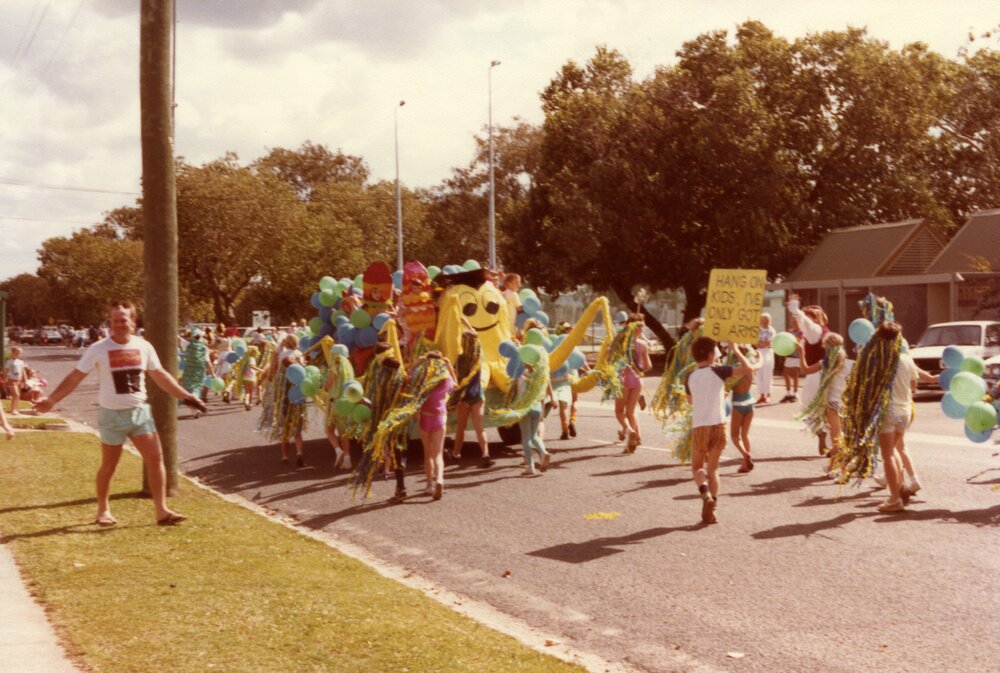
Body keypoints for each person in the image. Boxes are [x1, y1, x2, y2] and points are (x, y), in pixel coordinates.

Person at [33, 301, 203, 526]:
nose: (119, 324)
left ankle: (162, 511)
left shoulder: (144, 346)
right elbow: (75, 376)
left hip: (140, 413)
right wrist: (52, 400)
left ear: (133, 322)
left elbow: (160, 375)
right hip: (112, 415)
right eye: (114, 320)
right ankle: (103, 511)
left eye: (123, 320)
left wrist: (187, 396)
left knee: (155, 459)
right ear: (110, 323)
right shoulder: (98, 348)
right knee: (109, 465)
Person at [835, 321, 937, 512]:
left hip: (888, 411)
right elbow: (914, 385)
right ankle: (899, 488)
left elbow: (865, 386)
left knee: (888, 454)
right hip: (906, 410)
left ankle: (894, 498)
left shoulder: (878, 359)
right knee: (896, 450)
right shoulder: (906, 358)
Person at [685, 336, 756, 524]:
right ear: (710, 354)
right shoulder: (719, 371)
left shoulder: (690, 376)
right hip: (718, 425)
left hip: (700, 426)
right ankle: (713, 506)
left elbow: (690, 401)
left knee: (697, 467)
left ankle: (705, 493)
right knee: (714, 468)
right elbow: (749, 370)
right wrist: (736, 349)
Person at [417, 352, 456, 500]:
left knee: (427, 453)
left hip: (425, 417)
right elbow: (456, 385)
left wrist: (418, 363)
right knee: (438, 453)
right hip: (439, 418)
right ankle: (439, 479)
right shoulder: (445, 378)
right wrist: (449, 367)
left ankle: (429, 484)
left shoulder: (423, 379)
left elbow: (407, 378)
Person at [451, 329, 493, 468]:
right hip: (477, 395)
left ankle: (456, 453)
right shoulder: (478, 357)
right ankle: (485, 453)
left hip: (464, 397)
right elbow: (476, 338)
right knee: (479, 428)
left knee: (460, 428)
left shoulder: (459, 358)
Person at [728, 345, 762, 473]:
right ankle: (745, 464)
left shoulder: (735, 369)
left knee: (735, 436)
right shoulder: (751, 368)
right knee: (745, 435)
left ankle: (745, 455)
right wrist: (761, 355)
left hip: (738, 403)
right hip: (750, 402)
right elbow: (760, 362)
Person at [755, 314, 776, 403]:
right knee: (759, 374)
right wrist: (759, 343)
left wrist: (760, 343)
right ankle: (762, 395)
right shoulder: (757, 330)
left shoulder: (771, 330)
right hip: (758, 351)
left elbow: (768, 343)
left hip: (768, 352)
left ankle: (768, 394)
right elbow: (754, 342)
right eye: (762, 319)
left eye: (766, 319)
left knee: (767, 374)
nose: (764, 321)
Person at [780, 318, 802, 403]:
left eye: (795, 322)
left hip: (797, 355)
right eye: (792, 322)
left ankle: (795, 393)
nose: (793, 323)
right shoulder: (789, 331)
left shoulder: (800, 332)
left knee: (795, 374)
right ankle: (788, 393)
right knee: (785, 373)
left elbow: (798, 341)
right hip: (789, 355)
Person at [4, 346, 25, 414]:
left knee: (18, 395)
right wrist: (5, 379)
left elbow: (23, 371)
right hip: (11, 380)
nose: (18, 354)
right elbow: (6, 371)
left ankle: (16, 409)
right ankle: (12, 409)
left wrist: (25, 380)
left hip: (18, 380)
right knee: (16, 394)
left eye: (19, 353)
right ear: (12, 353)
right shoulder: (9, 362)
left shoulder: (21, 362)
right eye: (16, 353)